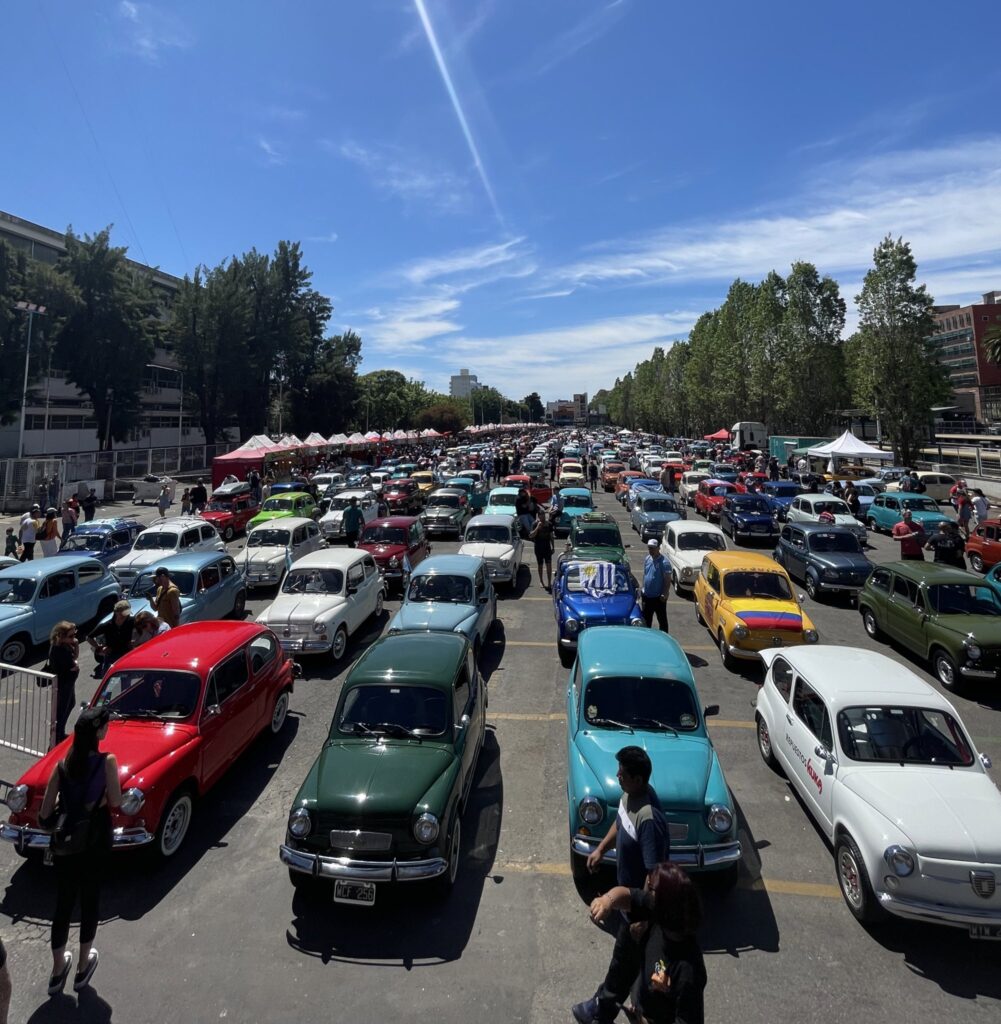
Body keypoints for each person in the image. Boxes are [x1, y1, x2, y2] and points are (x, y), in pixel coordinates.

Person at [573, 746, 670, 1024]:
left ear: (639, 779)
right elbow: (619, 822)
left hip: (637, 912)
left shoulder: (649, 819)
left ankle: (599, 1013)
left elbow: (655, 875)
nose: (617, 776)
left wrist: (640, 917)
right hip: (628, 906)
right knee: (631, 967)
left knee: (622, 965)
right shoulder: (630, 796)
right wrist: (601, 850)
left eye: (623, 774)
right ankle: (628, 1007)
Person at [38, 706, 121, 996]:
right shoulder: (107, 761)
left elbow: (44, 815)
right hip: (95, 839)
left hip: (66, 845)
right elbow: (117, 799)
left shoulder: (61, 765)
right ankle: (83, 965)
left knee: (63, 905)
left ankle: (58, 969)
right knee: (90, 901)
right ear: (98, 732)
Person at [586, 862, 706, 1024]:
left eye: (650, 887)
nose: (645, 889)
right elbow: (628, 895)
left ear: (665, 900)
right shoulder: (657, 910)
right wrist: (607, 901)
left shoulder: (687, 971)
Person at [46, 621, 80, 743]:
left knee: (71, 704)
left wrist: (76, 645)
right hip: (63, 684)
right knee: (61, 712)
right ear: (61, 636)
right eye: (70, 636)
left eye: (74, 635)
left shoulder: (66, 645)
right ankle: (56, 738)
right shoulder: (58, 649)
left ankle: (60, 734)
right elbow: (73, 664)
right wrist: (74, 666)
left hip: (69, 682)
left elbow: (75, 659)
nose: (73, 638)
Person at [86, 601, 135, 678]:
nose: (125, 616)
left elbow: (144, 629)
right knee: (106, 678)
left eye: (127, 613)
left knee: (126, 679)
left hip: (126, 654)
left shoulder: (132, 621)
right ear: (116, 613)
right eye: (122, 614)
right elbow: (89, 637)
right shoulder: (107, 625)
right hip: (111, 656)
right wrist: (99, 648)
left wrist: (136, 641)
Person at [641, 539, 670, 632]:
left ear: (658, 548)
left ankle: (665, 639)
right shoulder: (647, 559)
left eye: (653, 548)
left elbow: (667, 580)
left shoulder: (664, 562)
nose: (651, 550)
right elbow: (645, 574)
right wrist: (643, 588)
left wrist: (665, 593)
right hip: (647, 596)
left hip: (658, 598)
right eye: (649, 548)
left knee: (662, 621)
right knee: (646, 621)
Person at [529, 509, 554, 589]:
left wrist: (553, 546)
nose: (542, 517)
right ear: (538, 516)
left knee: (549, 565)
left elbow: (551, 536)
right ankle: (541, 581)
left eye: (543, 515)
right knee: (540, 565)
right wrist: (537, 527)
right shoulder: (535, 524)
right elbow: (531, 535)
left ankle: (549, 582)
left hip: (547, 547)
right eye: (541, 516)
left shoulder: (549, 524)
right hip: (538, 548)